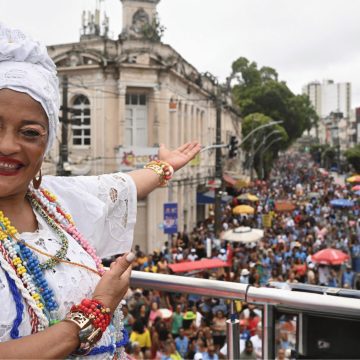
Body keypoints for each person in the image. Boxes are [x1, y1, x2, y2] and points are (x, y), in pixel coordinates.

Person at [0, 23, 201, 358]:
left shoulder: (51, 201)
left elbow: (119, 186)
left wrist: (163, 166)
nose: (8, 145)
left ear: (47, 143)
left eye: (30, 132)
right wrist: (94, 313)